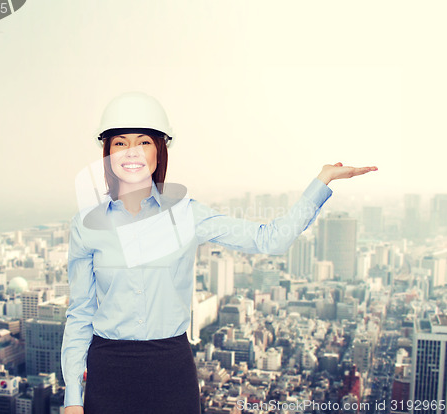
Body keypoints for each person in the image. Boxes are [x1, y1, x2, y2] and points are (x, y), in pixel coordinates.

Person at [61, 91, 378, 414]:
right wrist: (73, 398)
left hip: (171, 370)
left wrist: (322, 180)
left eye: (143, 142)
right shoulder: (87, 225)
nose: (132, 152)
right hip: (108, 372)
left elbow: (270, 240)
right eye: (120, 143)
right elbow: (81, 313)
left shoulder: (187, 215)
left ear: (160, 150)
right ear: (107, 154)